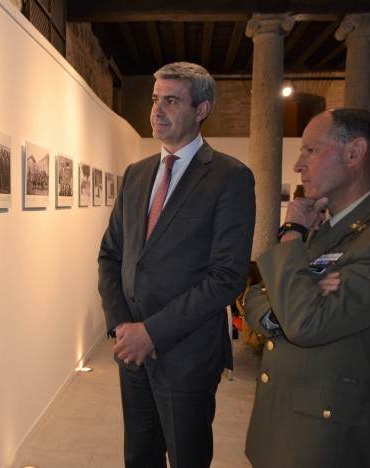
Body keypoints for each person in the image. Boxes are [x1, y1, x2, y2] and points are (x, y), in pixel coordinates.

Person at [97, 61, 256, 468]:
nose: (156, 110)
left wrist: (152, 332)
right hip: (132, 351)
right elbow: (111, 255)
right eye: (154, 99)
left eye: (171, 100)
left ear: (201, 110)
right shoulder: (136, 174)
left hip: (186, 355)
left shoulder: (229, 177)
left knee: (188, 457)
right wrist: (121, 326)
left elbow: (227, 277)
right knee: (140, 456)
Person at [244, 108, 370, 468]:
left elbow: (307, 323)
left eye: (310, 150)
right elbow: (257, 297)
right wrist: (296, 301)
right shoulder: (326, 228)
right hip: (282, 424)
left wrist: (291, 234)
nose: (297, 165)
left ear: (354, 153)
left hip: (326, 442)